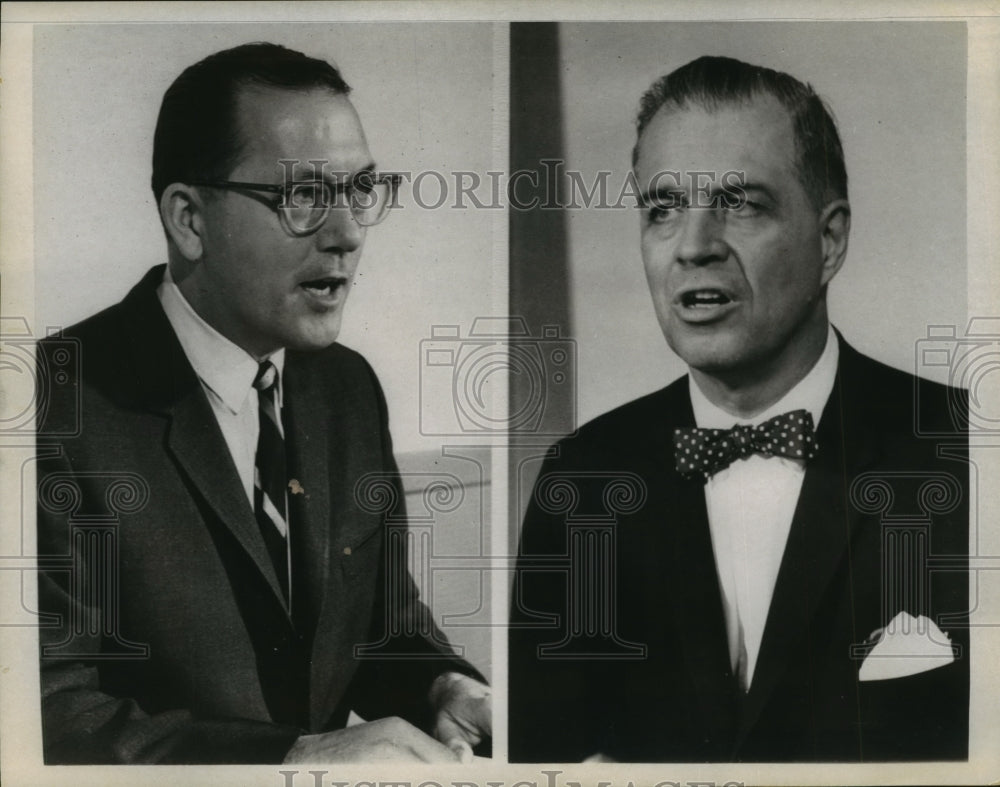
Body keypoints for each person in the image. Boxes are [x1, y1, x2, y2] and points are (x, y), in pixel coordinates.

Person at [35, 42, 490, 764]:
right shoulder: (48, 408)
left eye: (360, 192)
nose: (347, 235)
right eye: (303, 197)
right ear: (190, 219)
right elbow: (49, 716)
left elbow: (378, 627)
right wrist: (294, 760)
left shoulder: (347, 389)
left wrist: (442, 686)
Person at [509, 56, 969, 762]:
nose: (694, 247)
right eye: (663, 209)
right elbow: (543, 760)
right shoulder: (582, 476)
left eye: (741, 202)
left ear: (830, 240)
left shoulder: (970, 451)